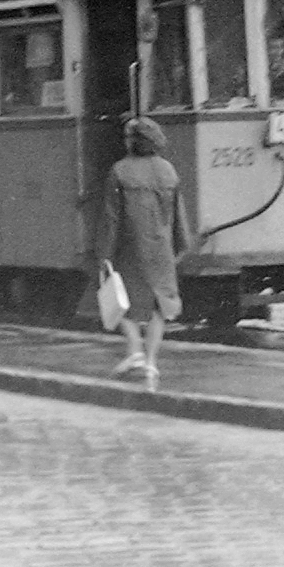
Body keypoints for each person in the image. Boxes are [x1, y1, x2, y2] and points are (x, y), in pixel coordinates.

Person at [93, 117, 191, 391]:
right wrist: (182, 245)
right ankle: (150, 362)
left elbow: (111, 218)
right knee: (160, 305)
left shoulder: (120, 171)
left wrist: (104, 253)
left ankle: (134, 349)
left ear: (131, 142)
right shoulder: (168, 171)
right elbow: (179, 215)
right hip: (161, 247)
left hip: (130, 246)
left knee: (121, 300)